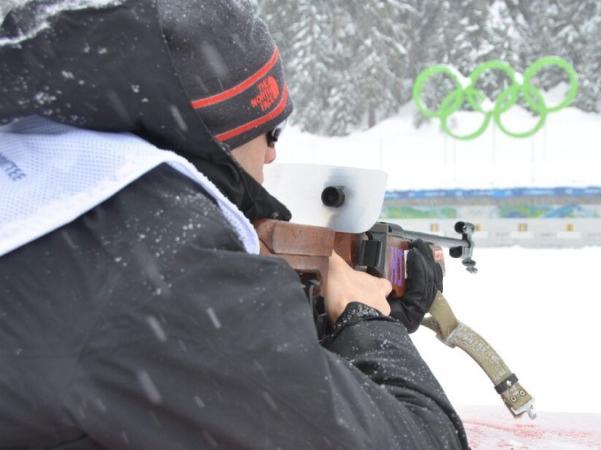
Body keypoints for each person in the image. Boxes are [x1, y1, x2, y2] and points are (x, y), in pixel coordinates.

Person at [0, 1, 469, 449]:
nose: (272, 153)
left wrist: (326, 330)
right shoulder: (160, 265)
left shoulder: (48, 181)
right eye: (271, 130)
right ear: (216, 131)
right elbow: (424, 440)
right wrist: (366, 322)